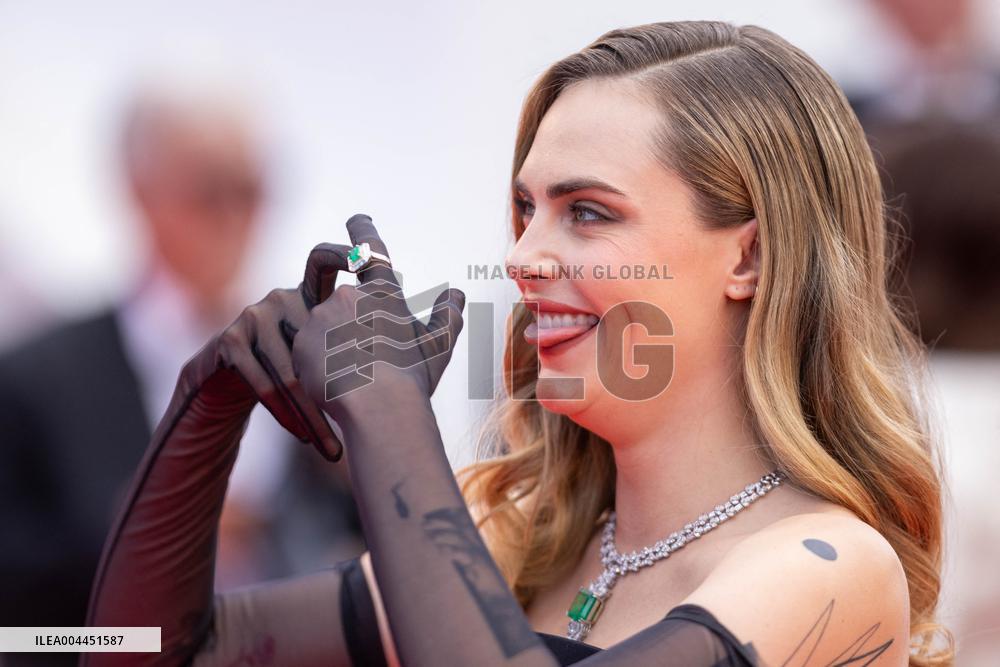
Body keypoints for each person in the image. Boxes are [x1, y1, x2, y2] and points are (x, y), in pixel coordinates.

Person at [83, 21, 951, 666]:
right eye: (526, 209)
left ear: (750, 255)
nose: (525, 257)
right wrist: (209, 399)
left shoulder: (823, 564)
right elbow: (143, 650)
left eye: (588, 212)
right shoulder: (516, 537)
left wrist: (386, 413)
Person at [0, 79, 361, 665]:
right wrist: (163, 534)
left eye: (251, 191)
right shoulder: (34, 378)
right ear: (141, 191)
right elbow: (16, 627)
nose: (235, 217)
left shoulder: (312, 359)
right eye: (208, 191)